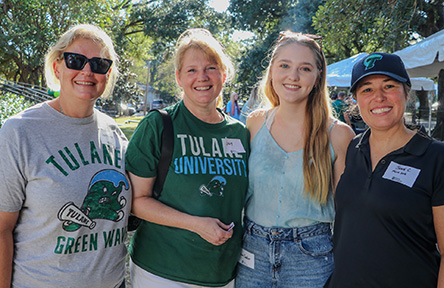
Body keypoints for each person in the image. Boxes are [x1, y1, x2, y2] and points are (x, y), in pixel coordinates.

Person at [0, 24, 130, 288]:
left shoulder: (116, 135)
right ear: (58, 67)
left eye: (99, 64)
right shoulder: (20, 131)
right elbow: (1, 229)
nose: (87, 71)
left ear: (107, 75)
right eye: (76, 60)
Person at [126, 28, 249, 288]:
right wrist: (196, 224)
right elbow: (137, 201)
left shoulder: (241, 134)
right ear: (179, 78)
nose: (201, 77)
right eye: (191, 70)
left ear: (223, 75)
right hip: (162, 272)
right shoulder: (158, 126)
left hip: (223, 273)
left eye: (211, 68)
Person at [235, 31, 355, 288]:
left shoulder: (338, 135)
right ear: (272, 72)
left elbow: (349, 212)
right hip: (252, 250)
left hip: (312, 257)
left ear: (317, 77)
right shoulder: (255, 123)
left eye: (305, 68)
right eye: (285, 66)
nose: (293, 76)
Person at [325, 53, 444, 287]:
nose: (379, 97)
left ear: (406, 93)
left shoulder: (436, 157)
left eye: (389, 86)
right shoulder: (350, 150)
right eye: (367, 89)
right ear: (356, 100)